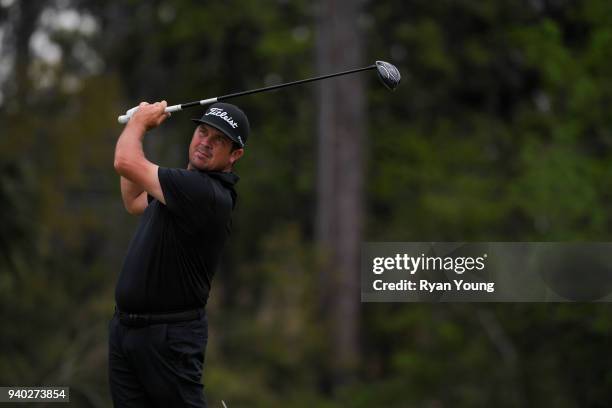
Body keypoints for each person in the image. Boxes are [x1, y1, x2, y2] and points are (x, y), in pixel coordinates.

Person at [109, 100, 249, 407]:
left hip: (168, 338)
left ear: (234, 155)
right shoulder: (180, 188)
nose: (205, 143)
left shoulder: (206, 192)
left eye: (219, 140)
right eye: (202, 132)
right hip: (128, 331)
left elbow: (124, 162)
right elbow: (133, 199)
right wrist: (137, 128)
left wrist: (138, 125)